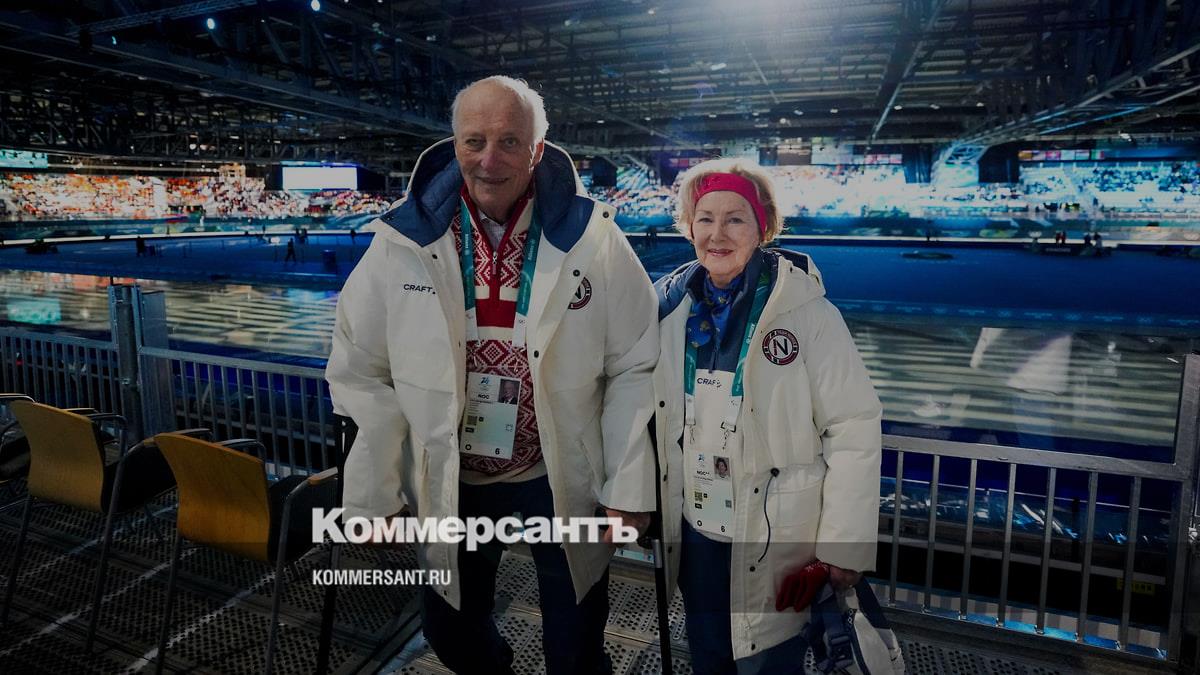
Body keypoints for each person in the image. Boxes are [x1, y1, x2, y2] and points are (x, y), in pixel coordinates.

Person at [326, 75, 658, 675]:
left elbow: (635, 363)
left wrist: (629, 489)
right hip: (454, 479)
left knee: (576, 643)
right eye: (474, 140)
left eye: (509, 141)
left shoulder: (595, 239)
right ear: (454, 144)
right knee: (451, 632)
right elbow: (360, 369)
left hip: (558, 474)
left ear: (537, 150)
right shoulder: (402, 241)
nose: (489, 159)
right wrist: (374, 492)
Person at [652, 159, 882, 675]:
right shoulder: (668, 308)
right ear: (689, 227)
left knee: (770, 661)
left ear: (763, 229)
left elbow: (853, 426)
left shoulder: (808, 314)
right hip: (697, 529)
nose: (717, 234)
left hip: (775, 533)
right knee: (708, 654)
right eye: (705, 218)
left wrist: (843, 545)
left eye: (735, 219)